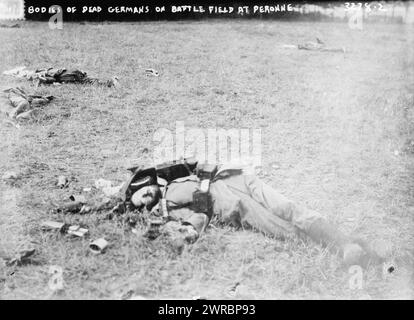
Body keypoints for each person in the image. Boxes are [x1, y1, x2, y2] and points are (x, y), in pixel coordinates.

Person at [129, 162, 383, 266]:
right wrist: (187, 230)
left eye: (141, 191)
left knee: (286, 207)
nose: (144, 196)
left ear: (145, 182)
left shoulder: (171, 174)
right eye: (140, 201)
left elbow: (202, 166)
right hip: (233, 204)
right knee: (280, 228)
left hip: (236, 179)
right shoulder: (167, 211)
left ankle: (344, 240)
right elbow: (200, 216)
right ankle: (345, 248)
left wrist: (206, 174)